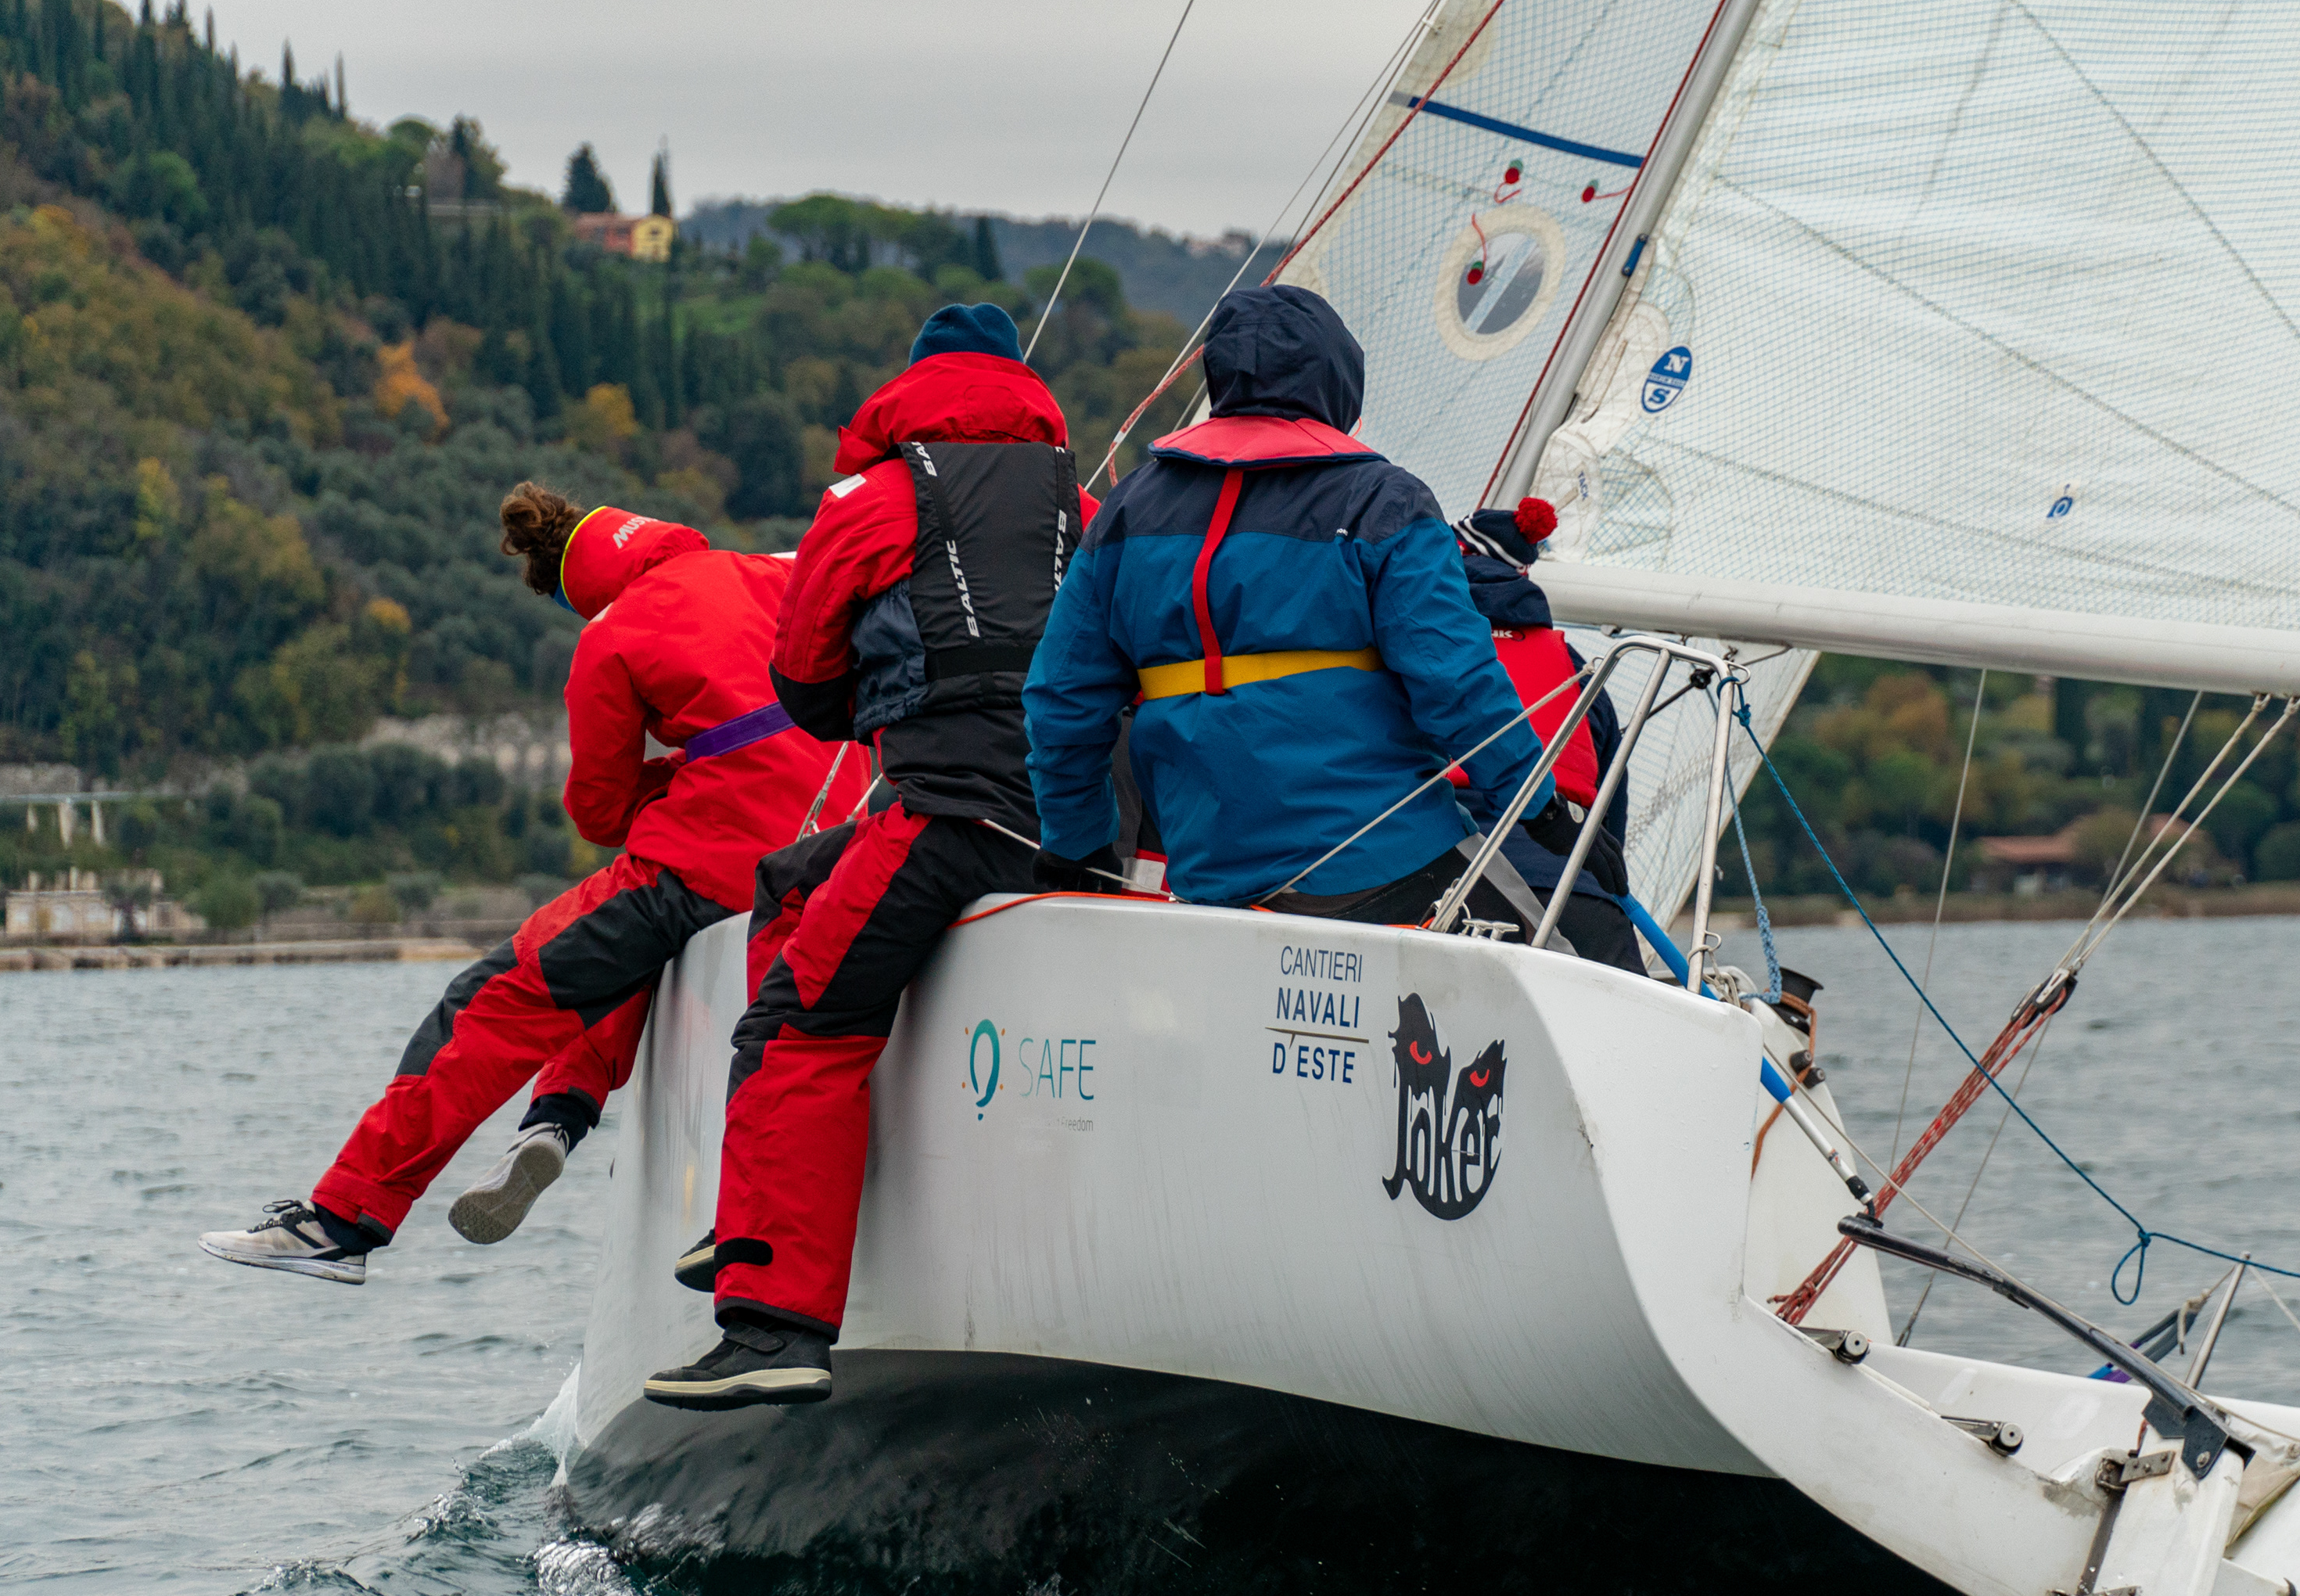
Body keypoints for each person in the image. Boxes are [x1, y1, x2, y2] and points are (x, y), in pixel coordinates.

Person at [199, 487, 835, 1284]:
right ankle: (556, 1117)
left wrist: (675, 775)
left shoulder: (612, 634)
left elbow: (599, 808)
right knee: (619, 945)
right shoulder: (763, 569)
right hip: (838, 842)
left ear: (580, 587)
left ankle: (343, 1218)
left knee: (492, 1000)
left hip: (711, 863)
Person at [642, 302, 1095, 1411]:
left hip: (949, 817)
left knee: (798, 1021)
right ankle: (763, 1201)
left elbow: (802, 676)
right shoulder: (1086, 506)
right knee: (789, 886)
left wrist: (880, 709)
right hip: (1076, 823)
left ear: (910, 392)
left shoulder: (869, 500)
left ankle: (772, 1328)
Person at [1021, 283, 1575, 935]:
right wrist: (1538, 805)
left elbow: (1060, 698)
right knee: (1572, 985)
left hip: (1215, 879)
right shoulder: (1383, 501)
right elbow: (1455, 679)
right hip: (1384, 859)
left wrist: (1076, 841)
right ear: (1339, 382)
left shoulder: (1128, 508)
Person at [1446, 494, 1644, 972]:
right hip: (1580, 898)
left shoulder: (1416, 655)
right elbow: (1607, 821)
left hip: (1450, 888)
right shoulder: (1578, 674)